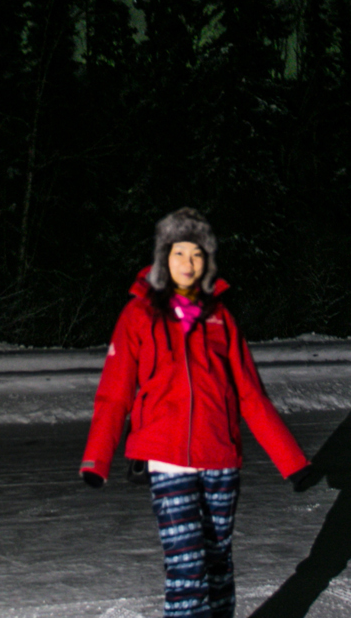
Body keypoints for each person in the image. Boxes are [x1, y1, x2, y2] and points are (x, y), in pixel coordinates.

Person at [80, 207, 313, 618]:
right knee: (187, 567)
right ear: (163, 258)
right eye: (179, 254)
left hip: (220, 455)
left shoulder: (220, 318)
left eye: (197, 255)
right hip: (166, 457)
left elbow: (250, 395)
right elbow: (115, 393)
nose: (187, 264)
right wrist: (97, 457)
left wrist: (291, 461)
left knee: (217, 561)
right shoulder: (138, 316)